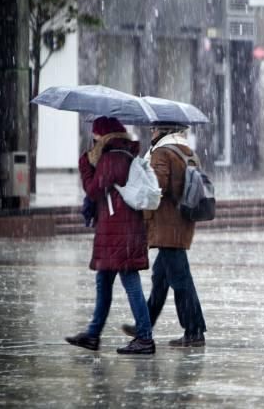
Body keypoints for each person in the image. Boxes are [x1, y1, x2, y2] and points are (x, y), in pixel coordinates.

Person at [65, 116, 155, 354]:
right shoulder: (124, 153)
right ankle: (93, 334)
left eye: (95, 134)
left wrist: (85, 166)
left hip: (118, 230)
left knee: (130, 282)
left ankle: (145, 338)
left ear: (102, 135)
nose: (93, 138)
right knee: (103, 281)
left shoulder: (111, 156)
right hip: (120, 228)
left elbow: (94, 190)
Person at [122, 123, 207, 346]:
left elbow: (157, 185)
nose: (152, 132)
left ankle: (194, 331)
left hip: (167, 227)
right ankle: (146, 322)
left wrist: (141, 172)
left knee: (181, 281)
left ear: (164, 131)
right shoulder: (186, 150)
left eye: (155, 129)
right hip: (181, 223)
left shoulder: (162, 152)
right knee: (160, 277)